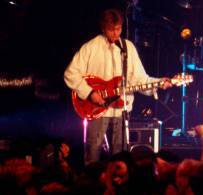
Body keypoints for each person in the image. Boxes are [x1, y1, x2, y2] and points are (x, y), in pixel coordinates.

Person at [64, 9, 171, 164]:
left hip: (121, 110)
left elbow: (139, 79)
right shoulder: (91, 47)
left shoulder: (128, 48)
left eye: (119, 29)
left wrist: (159, 83)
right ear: (103, 28)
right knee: (93, 154)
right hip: (96, 109)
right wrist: (90, 93)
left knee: (120, 158)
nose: (115, 33)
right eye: (111, 29)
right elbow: (70, 73)